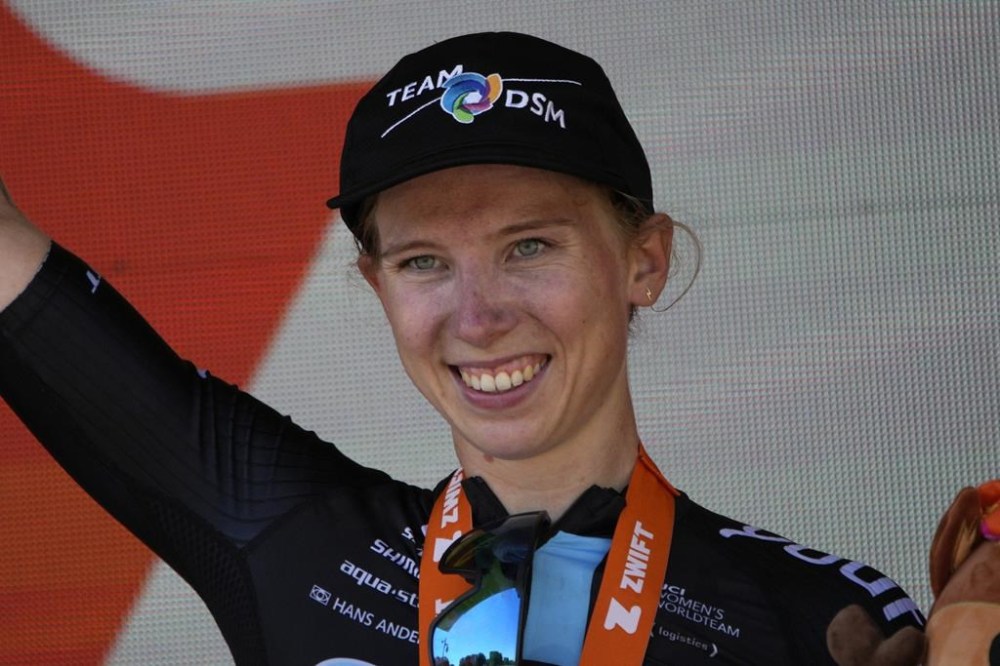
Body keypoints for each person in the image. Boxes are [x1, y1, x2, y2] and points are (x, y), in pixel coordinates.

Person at [0, 31, 924, 666]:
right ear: (375, 286)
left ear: (644, 261)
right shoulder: (285, 531)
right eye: (424, 261)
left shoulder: (825, 620)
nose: (477, 316)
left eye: (530, 246)